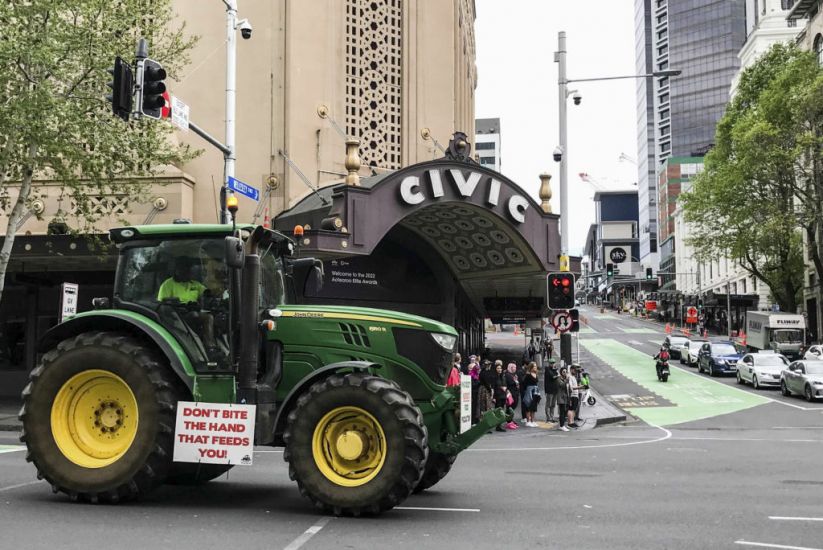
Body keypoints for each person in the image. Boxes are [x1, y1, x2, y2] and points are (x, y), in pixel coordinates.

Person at [157, 258, 217, 352]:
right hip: (177, 316)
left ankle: (210, 347)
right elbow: (162, 304)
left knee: (209, 317)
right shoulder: (167, 285)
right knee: (194, 315)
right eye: (185, 270)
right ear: (177, 270)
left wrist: (213, 291)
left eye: (190, 270)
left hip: (193, 311)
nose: (189, 273)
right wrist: (180, 306)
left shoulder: (194, 284)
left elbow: (207, 292)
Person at [520, 362, 541, 427]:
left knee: (534, 407)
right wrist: (525, 391)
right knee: (528, 406)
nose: (535, 367)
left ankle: (532, 420)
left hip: (535, 391)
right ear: (531, 367)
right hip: (529, 391)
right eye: (534, 366)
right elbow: (524, 384)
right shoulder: (528, 375)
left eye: (535, 366)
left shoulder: (536, 374)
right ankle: (528, 421)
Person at [492, 363, 508, 432]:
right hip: (497, 396)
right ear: (495, 369)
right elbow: (493, 387)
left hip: (503, 396)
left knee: (501, 411)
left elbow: (505, 384)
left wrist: (505, 388)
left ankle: (499, 425)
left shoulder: (503, 376)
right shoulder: (494, 377)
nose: (499, 369)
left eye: (500, 368)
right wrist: (493, 397)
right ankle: (498, 426)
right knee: (498, 411)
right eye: (498, 368)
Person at [556, 367, 571, 431]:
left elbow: (568, 388)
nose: (565, 373)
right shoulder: (558, 379)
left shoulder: (566, 379)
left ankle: (562, 425)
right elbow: (562, 385)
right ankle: (562, 426)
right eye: (563, 372)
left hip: (566, 398)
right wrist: (567, 380)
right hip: (561, 398)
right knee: (562, 412)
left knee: (565, 412)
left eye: (566, 372)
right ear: (561, 373)